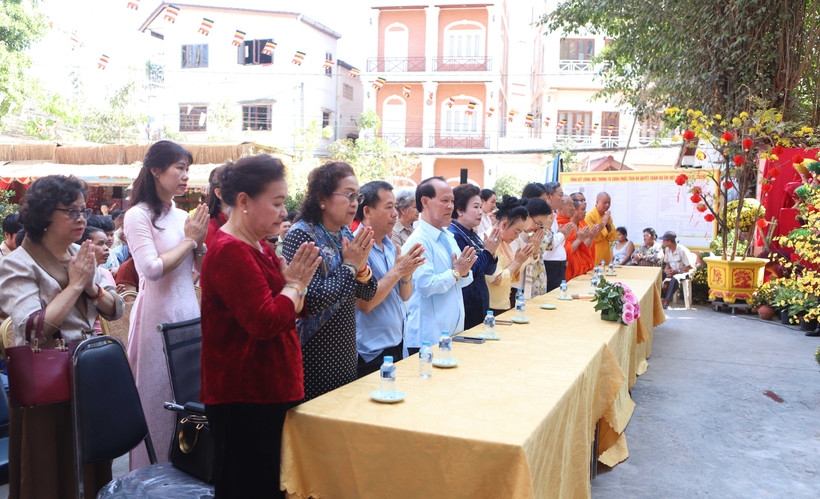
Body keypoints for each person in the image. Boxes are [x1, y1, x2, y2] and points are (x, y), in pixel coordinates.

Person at [199, 154, 321, 499]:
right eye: (277, 203)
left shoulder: (258, 245)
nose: (284, 213)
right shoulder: (230, 251)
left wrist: (293, 289)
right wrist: (294, 286)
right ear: (244, 201)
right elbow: (266, 321)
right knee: (248, 486)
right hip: (244, 396)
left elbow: (293, 308)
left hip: (269, 388)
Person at [0, 175, 124, 499]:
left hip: (87, 376)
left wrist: (91, 287)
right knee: (49, 473)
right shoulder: (17, 264)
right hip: (46, 383)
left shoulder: (79, 252)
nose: (81, 218)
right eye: (71, 211)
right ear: (44, 214)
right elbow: (32, 328)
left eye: (84, 210)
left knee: (92, 468)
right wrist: (75, 285)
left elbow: (116, 309)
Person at [123, 140, 209, 469]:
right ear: (156, 170)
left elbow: (199, 269)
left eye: (188, 169)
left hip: (189, 314)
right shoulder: (138, 215)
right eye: (180, 168)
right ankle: (151, 476)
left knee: (188, 401)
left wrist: (198, 244)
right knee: (158, 402)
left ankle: (187, 472)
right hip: (157, 321)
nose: (186, 176)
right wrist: (190, 240)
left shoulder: (183, 216)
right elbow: (151, 269)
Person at [282, 161, 377, 401]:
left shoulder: (344, 233)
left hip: (345, 348)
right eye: (348, 195)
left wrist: (361, 269)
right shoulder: (301, 235)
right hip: (315, 351)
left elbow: (367, 294)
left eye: (357, 196)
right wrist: (350, 266)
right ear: (322, 198)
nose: (355, 203)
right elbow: (311, 301)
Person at [354, 181, 425, 378]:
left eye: (395, 207)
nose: (395, 213)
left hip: (396, 342)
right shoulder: (357, 248)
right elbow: (365, 304)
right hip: (371, 351)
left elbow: (405, 295)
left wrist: (406, 274)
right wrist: (398, 271)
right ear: (367, 211)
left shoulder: (390, 246)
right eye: (389, 207)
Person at [403, 177, 476, 354]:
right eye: (444, 201)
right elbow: (426, 285)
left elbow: (464, 279)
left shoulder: (448, 236)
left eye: (452, 201)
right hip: (427, 337)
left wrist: (463, 273)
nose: (450, 206)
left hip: (451, 332)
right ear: (425, 202)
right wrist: (456, 273)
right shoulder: (418, 241)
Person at [449, 184, 500, 330]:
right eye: (476, 207)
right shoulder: (455, 235)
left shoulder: (472, 234)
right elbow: (469, 272)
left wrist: (492, 252)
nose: (480, 212)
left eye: (480, 207)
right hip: (467, 303)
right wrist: (487, 252)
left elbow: (489, 270)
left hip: (480, 301)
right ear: (459, 210)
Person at [485, 196, 533, 313]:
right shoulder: (488, 240)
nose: (516, 237)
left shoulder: (503, 241)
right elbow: (496, 279)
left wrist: (519, 261)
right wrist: (517, 262)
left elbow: (512, 275)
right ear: (504, 225)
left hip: (502, 302)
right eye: (516, 232)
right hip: (491, 305)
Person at [541, 182, 573, 292]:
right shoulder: (544, 216)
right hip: (550, 265)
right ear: (549, 197)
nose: (562, 199)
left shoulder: (553, 214)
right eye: (560, 195)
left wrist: (561, 235)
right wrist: (561, 234)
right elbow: (548, 244)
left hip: (559, 265)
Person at [557, 195, 594, 281]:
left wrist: (590, 238)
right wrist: (579, 239)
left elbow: (580, 249)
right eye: (570, 205)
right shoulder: (559, 224)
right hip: (565, 269)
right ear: (561, 207)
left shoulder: (570, 223)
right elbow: (564, 252)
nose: (573, 208)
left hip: (576, 267)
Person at [660, 231, 693, 308]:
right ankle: (662, 298)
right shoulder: (667, 250)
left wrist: (677, 271)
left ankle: (667, 300)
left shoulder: (682, 250)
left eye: (664, 240)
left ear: (669, 241)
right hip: (673, 270)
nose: (662, 242)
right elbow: (667, 263)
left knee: (675, 278)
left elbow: (689, 267)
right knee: (660, 275)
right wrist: (666, 271)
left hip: (684, 272)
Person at [585, 192, 617, 265]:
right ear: (597, 202)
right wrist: (603, 222)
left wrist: (608, 225)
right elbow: (594, 238)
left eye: (609, 202)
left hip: (606, 255)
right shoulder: (589, 217)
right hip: (594, 254)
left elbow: (613, 238)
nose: (607, 205)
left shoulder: (607, 217)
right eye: (604, 202)